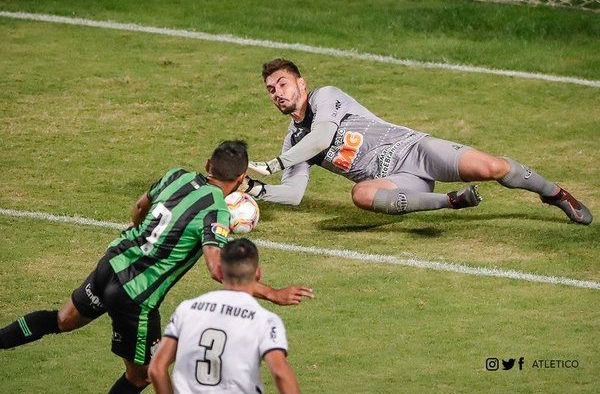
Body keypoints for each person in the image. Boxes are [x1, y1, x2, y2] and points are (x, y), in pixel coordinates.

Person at [0, 140, 314, 393]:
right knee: (142, 376)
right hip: (136, 296)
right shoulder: (215, 212)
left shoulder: (176, 175)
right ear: (242, 179)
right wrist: (272, 293)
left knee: (62, 319)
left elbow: (139, 207)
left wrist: (137, 237)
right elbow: (218, 269)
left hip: (111, 263)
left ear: (207, 165)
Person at [243, 58, 592, 225]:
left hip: (414, 150)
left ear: (301, 84)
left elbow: (321, 136)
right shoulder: (294, 141)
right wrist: (255, 190)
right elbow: (293, 194)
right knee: (360, 194)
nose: (277, 93)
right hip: (394, 182)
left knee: (493, 167)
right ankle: (450, 201)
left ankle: (555, 194)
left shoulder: (326, 97)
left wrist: (275, 164)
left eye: (283, 84)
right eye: (271, 90)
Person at [148, 238, 300, 394]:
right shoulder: (264, 320)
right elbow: (280, 373)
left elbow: (157, 368)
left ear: (219, 271)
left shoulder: (187, 309)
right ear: (258, 274)